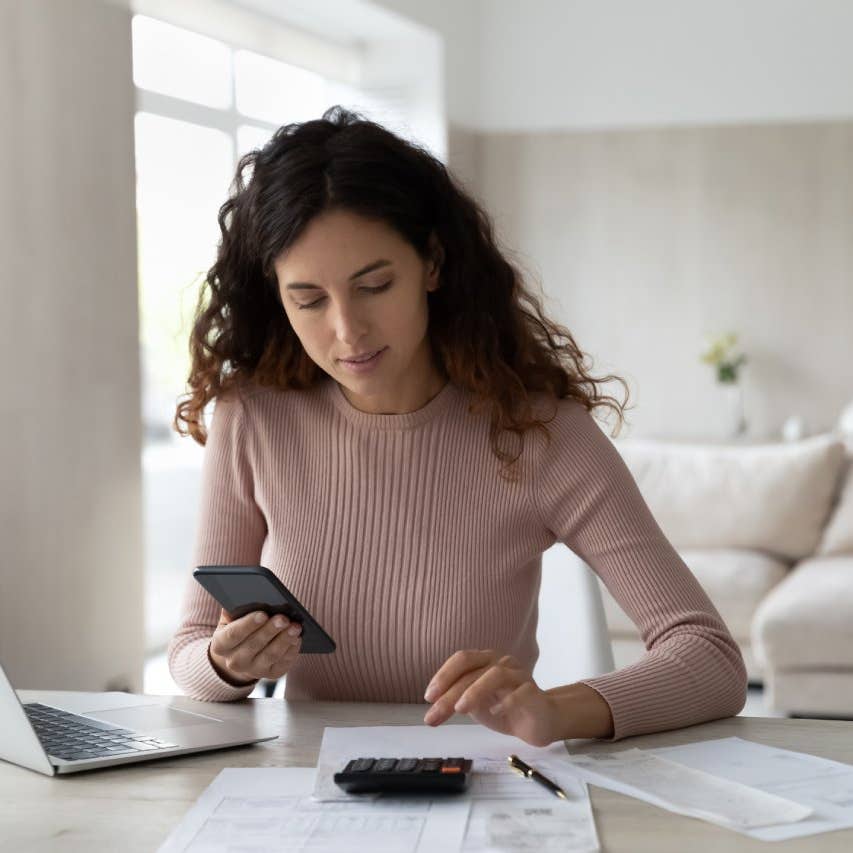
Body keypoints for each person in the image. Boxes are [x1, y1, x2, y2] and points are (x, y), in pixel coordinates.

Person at [168, 105, 747, 746]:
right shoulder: (254, 417)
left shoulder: (540, 432)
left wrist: (557, 710)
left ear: (434, 264)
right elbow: (191, 653)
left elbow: (710, 658)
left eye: (376, 285)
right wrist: (227, 663)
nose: (347, 331)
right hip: (307, 788)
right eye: (308, 299)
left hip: (479, 788)